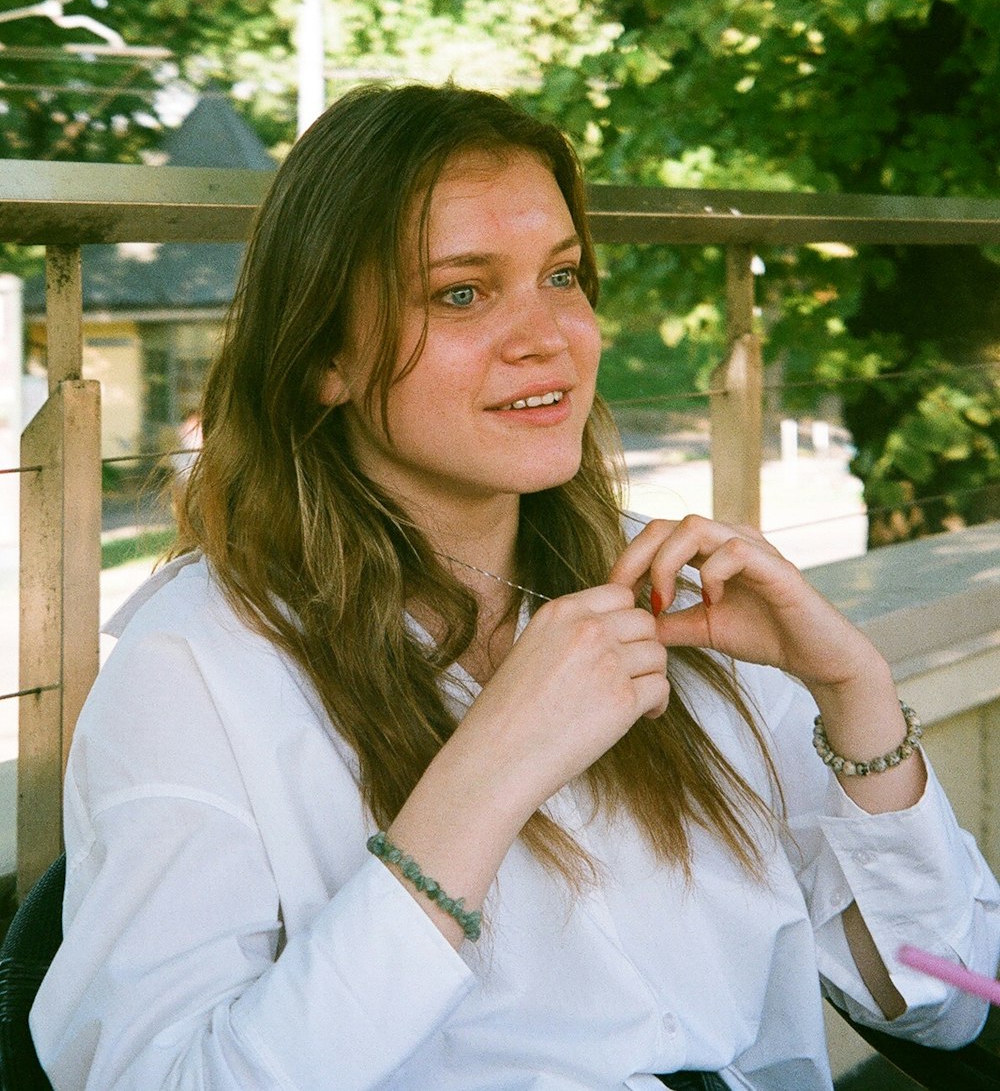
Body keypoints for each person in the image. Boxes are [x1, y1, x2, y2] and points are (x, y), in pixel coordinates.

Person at [32, 84, 1000, 1091]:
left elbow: (947, 997)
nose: (547, 336)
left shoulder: (671, 590)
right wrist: (486, 772)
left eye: (564, 276)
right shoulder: (198, 667)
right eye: (461, 292)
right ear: (324, 353)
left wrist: (852, 692)